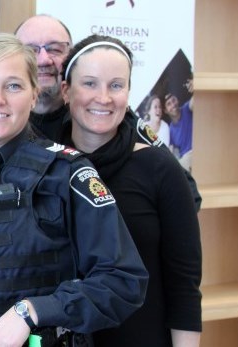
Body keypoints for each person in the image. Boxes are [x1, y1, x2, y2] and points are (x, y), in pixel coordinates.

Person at [0, 32, 147, 347]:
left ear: (35, 94)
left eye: (13, 86)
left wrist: (32, 310)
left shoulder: (67, 174)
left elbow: (123, 281)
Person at [57, 34, 202, 347]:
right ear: (66, 91)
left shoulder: (160, 169)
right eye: (90, 83)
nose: (104, 97)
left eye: (116, 85)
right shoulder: (47, 164)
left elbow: (185, 287)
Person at [15, 14, 203, 210]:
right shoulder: (5, 121)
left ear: (70, 55)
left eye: (55, 49)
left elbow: (188, 194)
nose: (43, 59)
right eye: (30, 50)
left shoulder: (105, 116)